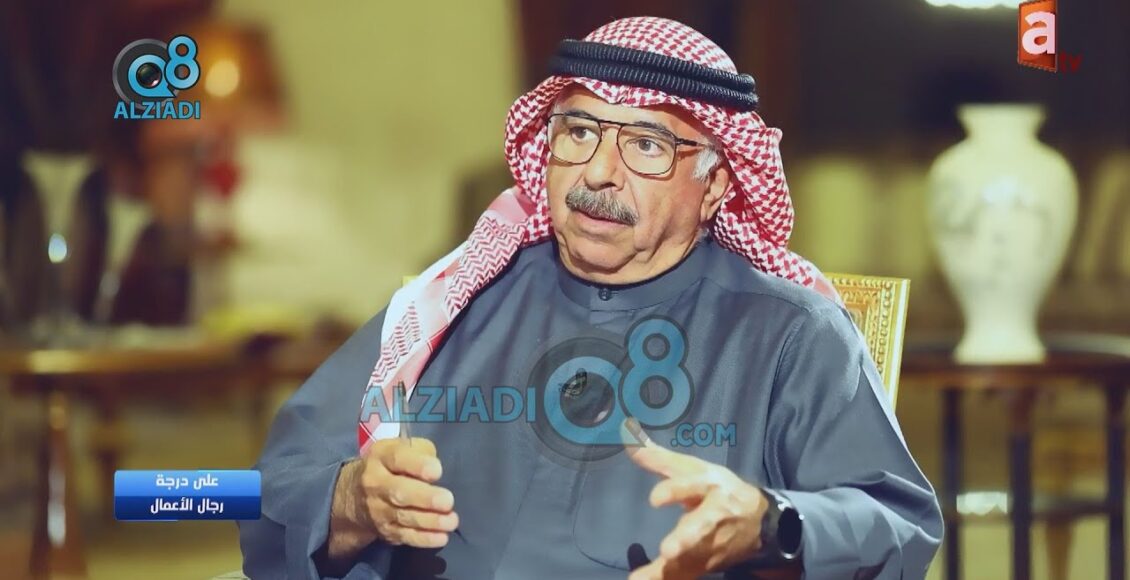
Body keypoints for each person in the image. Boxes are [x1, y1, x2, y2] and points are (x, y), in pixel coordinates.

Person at [238, 16, 943, 580]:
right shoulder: (452, 303)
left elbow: (897, 523)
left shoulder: (790, 332)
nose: (599, 172)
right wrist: (352, 501)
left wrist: (770, 520)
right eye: (579, 132)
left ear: (716, 184)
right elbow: (272, 489)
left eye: (647, 145)